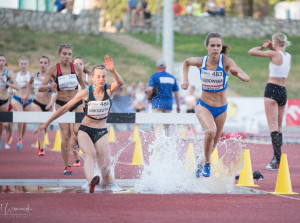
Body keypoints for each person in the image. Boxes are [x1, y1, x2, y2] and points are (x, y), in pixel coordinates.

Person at [35, 55, 124, 193]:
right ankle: (91, 182)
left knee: (106, 169)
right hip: (85, 131)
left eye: (104, 76)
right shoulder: (85, 93)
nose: (101, 79)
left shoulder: (109, 90)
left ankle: (107, 183)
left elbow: (121, 83)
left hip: (101, 132)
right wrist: (47, 123)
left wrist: (113, 71)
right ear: (92, 78)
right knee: (91, 154)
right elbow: (64, 108)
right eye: (98, 76)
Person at [182, 32, 249, 177]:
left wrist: (237, 74)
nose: (215, 48)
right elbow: (186, 62)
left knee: (213, 145)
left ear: (221, 47)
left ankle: (199, 166)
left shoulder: (226, 61)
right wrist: (185, 80)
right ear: (207, 46)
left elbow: (246, 77)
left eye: (218, 45)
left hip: (221, 109)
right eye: (212, 45)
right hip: (204, 106)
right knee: (210, 131)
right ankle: (207, 164)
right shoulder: (201, 61)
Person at [38, 44, 85, 175]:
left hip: (76, 102)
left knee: (76, 130)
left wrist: (91, 95)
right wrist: (49, 86)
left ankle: (81, 144)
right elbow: (40, 87)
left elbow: (83, 85)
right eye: (64, 54)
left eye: (70, 54)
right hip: (61, 104)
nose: (67, 56)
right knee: (65, 135)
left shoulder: (76, 69)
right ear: (59, 54)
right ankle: (67, 165)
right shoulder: (53, 69)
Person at [248, 33, 291, 171]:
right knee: (279, 127)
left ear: (274, 42)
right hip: (283, 90)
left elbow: (251, 52)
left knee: (272, 127)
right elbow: (279, 55)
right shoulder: (287, 56)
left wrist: (263, 46)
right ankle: (277, 159)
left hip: (272, 89)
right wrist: (273, 47)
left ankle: (276, 160)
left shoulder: (273, 54)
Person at [26, 55, 56, 156]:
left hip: (48, 105)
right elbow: (29, 84)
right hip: (36, 103)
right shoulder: (34, 76)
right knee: (41, 123)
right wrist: (27, 95)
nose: (43, 65)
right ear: (39, 64)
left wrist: (51, 103)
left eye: (45, 63)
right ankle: (41, 147)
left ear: (48, 65)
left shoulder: (51, 78)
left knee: (45, 127)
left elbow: (56, 92)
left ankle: (40, 140)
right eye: (41, 62)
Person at [147, 58, 180, 137]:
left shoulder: (154, 76)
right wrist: (178, 106)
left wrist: (149, 99)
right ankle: (168, 147)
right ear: (165, 67)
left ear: (157, 67)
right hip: (168, 105)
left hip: (157, 104)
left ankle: (159, 147)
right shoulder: (172, 77)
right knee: (167, 129)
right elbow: (176, 93)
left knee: (158, 129)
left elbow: (149, 89)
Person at [70, 56, 92, 167]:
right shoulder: (69, 77)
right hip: (74, 107)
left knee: (85, 133)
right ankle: (76, 159)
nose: (78, 66)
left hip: (88, 108)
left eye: (80, 64)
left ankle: (89, 155)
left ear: (84, 66)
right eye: (76, 64)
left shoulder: (90, 77)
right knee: (73, 135)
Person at [11, 57, 34, 151]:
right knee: (20, 116)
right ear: (19, 65)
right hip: (17, 98)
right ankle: (19, 138)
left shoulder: (31, 75)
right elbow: (11, 85)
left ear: (27, 65)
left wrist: (29, 84)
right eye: (22, 64)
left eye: (25, 64)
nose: (23, 66)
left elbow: (35, 86)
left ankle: (20, 139)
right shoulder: (15, 75)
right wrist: (11, 90)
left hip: (28, 100)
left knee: (24, 122)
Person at [0, 53, 18, 150]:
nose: (1, 62)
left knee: (6, 124)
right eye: (0, 60)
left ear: (5, 62)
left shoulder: (8, 74)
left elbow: (17, 87)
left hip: (6, 102)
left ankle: (7, 142)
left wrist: (6, 83)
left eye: (3, 60)